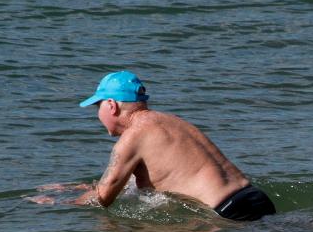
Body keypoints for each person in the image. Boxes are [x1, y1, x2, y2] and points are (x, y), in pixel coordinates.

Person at [73, 70, 276, 221]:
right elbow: (158, 175)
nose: (98, 115)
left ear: (111, 105)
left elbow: (103, 198)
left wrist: (63, 205)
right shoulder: (171, 121)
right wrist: (78, 188)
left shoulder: (131, 138)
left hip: (229, 211)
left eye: (97, 107)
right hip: (253, 196)